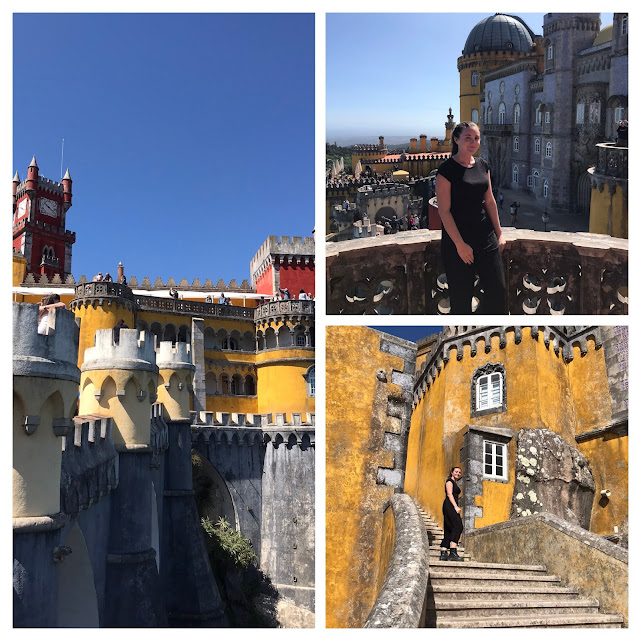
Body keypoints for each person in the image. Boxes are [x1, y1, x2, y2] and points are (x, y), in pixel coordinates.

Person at [435, 121, 507, 314]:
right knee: (461, 300)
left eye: (476, 138)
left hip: (486, 238)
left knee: (498, 294)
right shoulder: (446, 170)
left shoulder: (483, 166)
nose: (473, 142)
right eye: (468, 138)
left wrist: (499, 234)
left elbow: (490, 202)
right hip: (459, 242)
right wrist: (460, 244)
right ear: (456, 139)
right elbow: (444, 211)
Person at [440, 466, 464, 562]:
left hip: (450, 506)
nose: (458, 473)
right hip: (449, 505)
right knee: (458, 526)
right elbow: (449, 494)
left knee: (449, 529)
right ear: (452, 472)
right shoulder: (449, 482)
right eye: (456, 472)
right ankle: (453, 552)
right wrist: (455, 506)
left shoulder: (454, 482)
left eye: (459, 472)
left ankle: (444, 552)